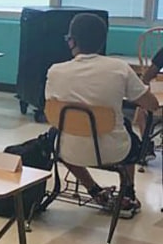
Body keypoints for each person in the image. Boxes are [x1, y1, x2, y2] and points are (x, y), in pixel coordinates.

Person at [45, 13, 158, 217]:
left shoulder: (55, 71)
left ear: (72, 41)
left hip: (66, 150)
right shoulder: (119, 68)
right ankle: (128, 193)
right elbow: (151, 104)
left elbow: (51, 109)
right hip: (113, 152)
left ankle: (94, 190)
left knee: (59, 132)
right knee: (126, 129)